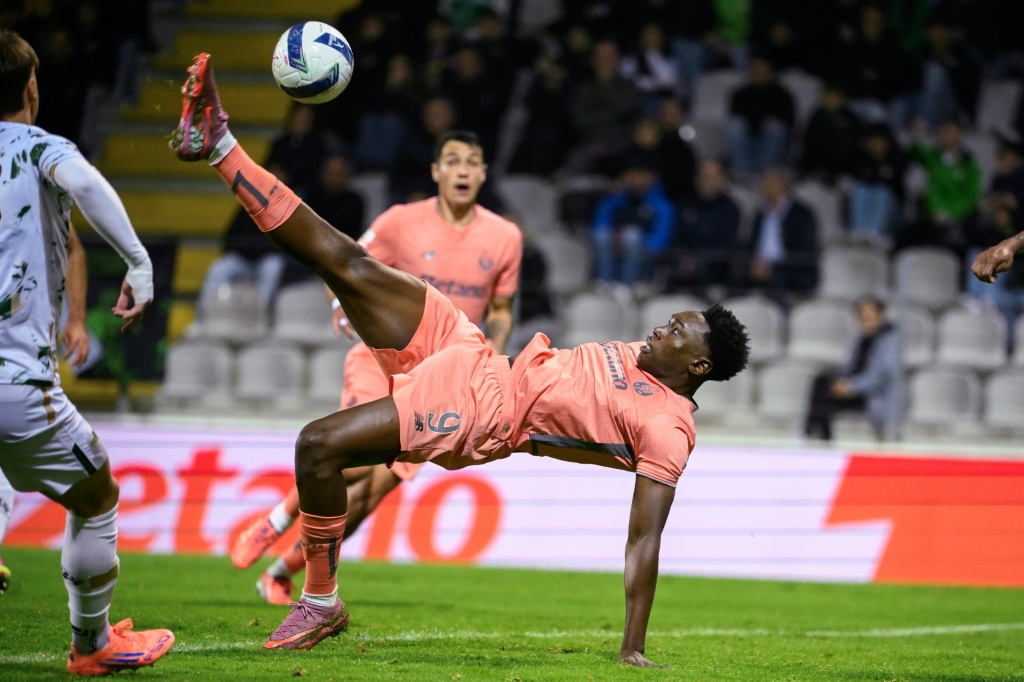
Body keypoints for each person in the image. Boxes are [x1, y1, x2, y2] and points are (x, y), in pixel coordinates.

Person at [171, 52, 750, 667]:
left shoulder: (667, 427)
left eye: (677, 331)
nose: (660, 328)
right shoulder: (642, 356)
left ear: (698, 367)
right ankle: (219, 143)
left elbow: (644, 538)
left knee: (317, 447)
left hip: (480, 413)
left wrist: (632, 647)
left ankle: (319, 598)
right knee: (347, 263)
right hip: (470, 350)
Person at [231, 129, 522, 605]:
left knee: (371, 496)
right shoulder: (398, 222)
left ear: (485, 173)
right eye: (453, 160)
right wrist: (340, 307)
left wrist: (494, 349)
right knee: (352, 462)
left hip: (443, 382)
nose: (463, 170)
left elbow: (504, 310)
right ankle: (277, 520)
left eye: (473, 162)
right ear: (436, 171)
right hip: (381, 359)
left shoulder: (505, 237)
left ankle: (279, 575)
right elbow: (341, 263)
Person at [0, 29, 174, 675]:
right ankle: (93, 645)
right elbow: (86, 183)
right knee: (96, 497)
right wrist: (138, 260)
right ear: (32, 89)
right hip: (14, 381)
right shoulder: (41, 147)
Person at [803, 297, 901, 441]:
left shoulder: (889, 342)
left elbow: (881, 377)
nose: (866, 322)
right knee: (822, 382)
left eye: (870, 318)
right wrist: (841, 382)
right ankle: (817, 434)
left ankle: (817, 436)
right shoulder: (861, 340)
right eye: (862, 318)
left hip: (872, 394)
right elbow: (850, 367)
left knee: (825, 397)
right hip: (855, 387)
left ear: (880, 316)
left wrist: (851, 386)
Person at [590, 154, 675, 289]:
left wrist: (637, 245)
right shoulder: (616, 198)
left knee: (632, 235)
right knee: (601, 235)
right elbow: (600, 222)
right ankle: (604, 283)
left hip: (644, 261)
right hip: (615, 252)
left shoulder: (660, 203)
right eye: (632, 174)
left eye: (641, 174)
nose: (636, 178)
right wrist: (618, 240)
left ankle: (626, 286)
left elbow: (659, 239)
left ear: (652, 177)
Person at [744, 167, 819, 295]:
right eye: (764, 181)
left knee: (779, 279)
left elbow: (804, 248)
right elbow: (751, 243)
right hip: (759, 269)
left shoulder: (802, 213)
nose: (765, 185)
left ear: (784, 184)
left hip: (790, 269)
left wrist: (772, 268)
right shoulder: (759, 213)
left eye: (770, 181)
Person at [727, 55, 795, 177]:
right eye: (756, 70)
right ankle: (741, 175)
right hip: (747, 142)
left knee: (774, 127)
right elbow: (737, 118)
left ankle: (764, 175)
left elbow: (787, 125)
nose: (759, 73)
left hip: (772, 145)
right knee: (736, 125)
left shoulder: (783, 96)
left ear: (771, 73)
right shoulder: (740, 94)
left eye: (763, 70)